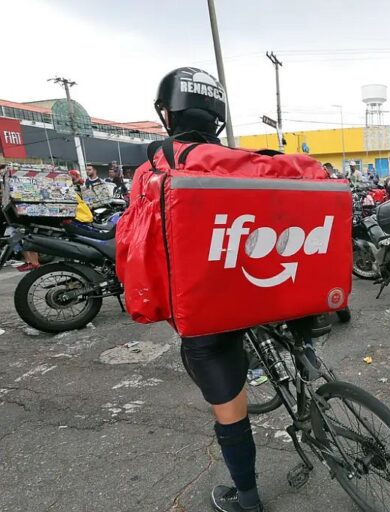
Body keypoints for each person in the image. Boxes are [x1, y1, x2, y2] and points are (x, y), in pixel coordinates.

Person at [136, 68, 265, 512]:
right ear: (218, 117)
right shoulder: (246, 162)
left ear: (167, 113)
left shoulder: (154, 168)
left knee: (229, 411)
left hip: (209, 308)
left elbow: (140, 247)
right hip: (267, 290)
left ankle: (247, 498)